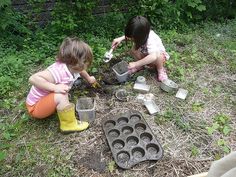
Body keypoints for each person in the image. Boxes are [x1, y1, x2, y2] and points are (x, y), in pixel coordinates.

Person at [26, 37, 97, 133]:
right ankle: (68, 125)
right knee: (61, 95)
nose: (87, 64)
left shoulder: (73, 67)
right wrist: (55, 87)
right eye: (84, 61)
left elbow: (81, 70)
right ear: (73, 61)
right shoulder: (58, 72)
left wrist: (88, 78)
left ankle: (58, 105)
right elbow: (33, 78)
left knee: (62, 93)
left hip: (45, 102)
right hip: (35, 108)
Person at [112, 16, 169, 82]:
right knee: (133, 50)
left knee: (158, 55)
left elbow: (153, 56)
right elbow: (130, 36)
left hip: (157, 60)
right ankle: (140, 66)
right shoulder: (141, 34)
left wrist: (136, 63)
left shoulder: (151, 37)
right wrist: (120, 39)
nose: (132, 39)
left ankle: (160, 70)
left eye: (134, 37)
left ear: (141, 35)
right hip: (146, 55)